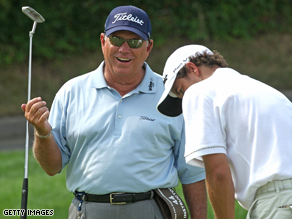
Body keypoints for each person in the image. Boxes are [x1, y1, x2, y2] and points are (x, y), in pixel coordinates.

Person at [21, 6, 207, 219]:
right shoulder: (71, 91)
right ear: (103, 42)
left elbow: (192, 173)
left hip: (151, 209)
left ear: (148, 47)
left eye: (135, 42)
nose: (124, 49)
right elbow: (52, 167)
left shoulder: (172, 94)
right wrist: (42, 132)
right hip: (88, 210)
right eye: (117, 39)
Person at [157, 44, 292, 219]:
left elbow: (218, 173)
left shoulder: (199, 92)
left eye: (181, 90)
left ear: (192, 69)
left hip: (280, 202)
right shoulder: (263, 89)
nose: (184, 99)